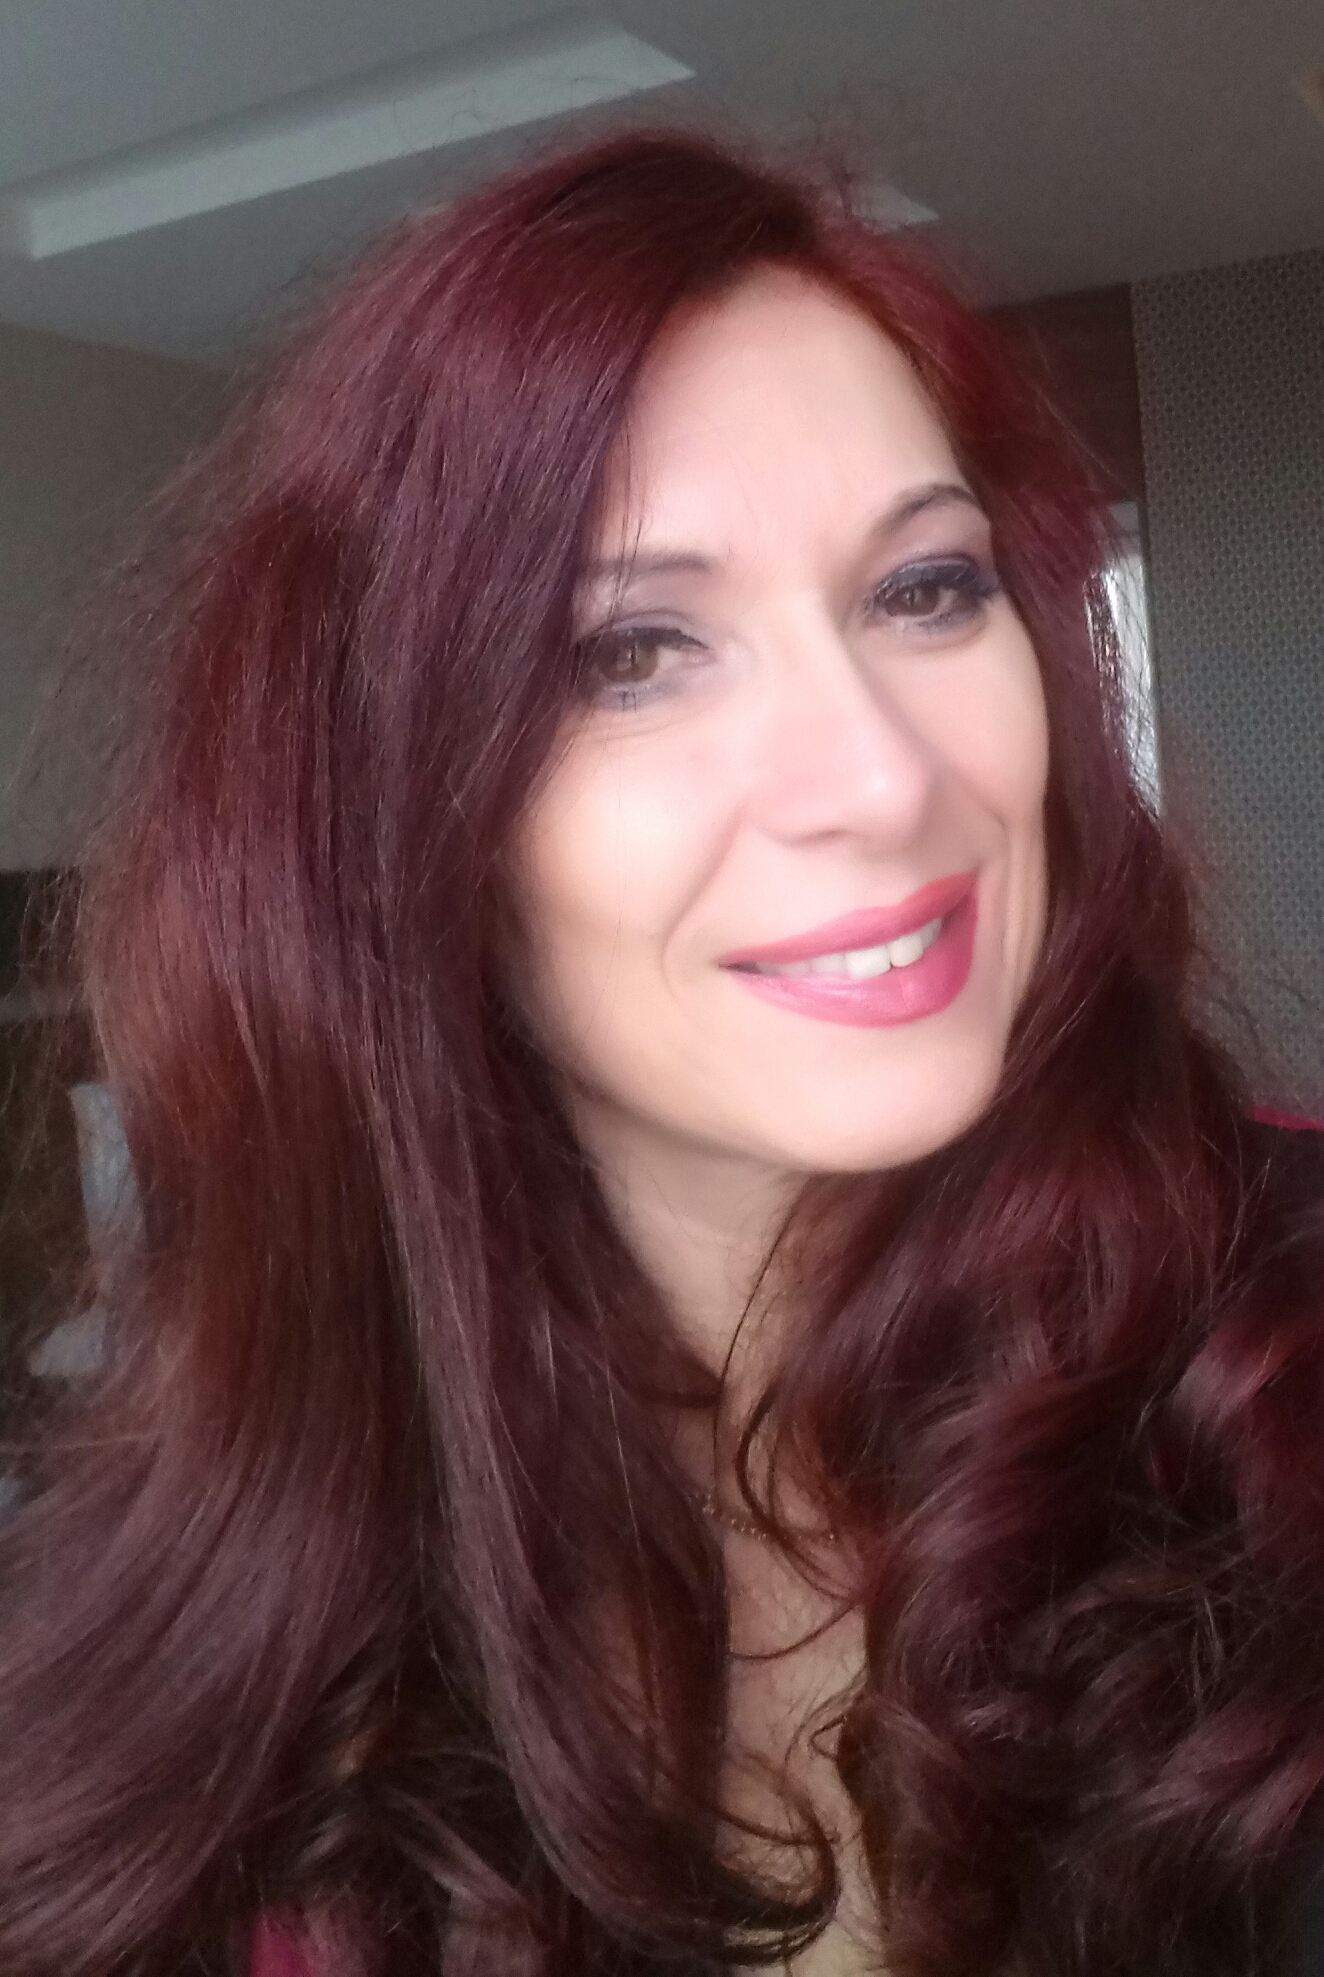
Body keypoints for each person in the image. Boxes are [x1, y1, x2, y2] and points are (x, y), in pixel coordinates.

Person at [0, 128, 1322, 1977]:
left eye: (924, 590)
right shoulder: (212, 1613)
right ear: (399, 815)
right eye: (632, 652)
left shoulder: (1281, 1344)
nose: (883, 778)